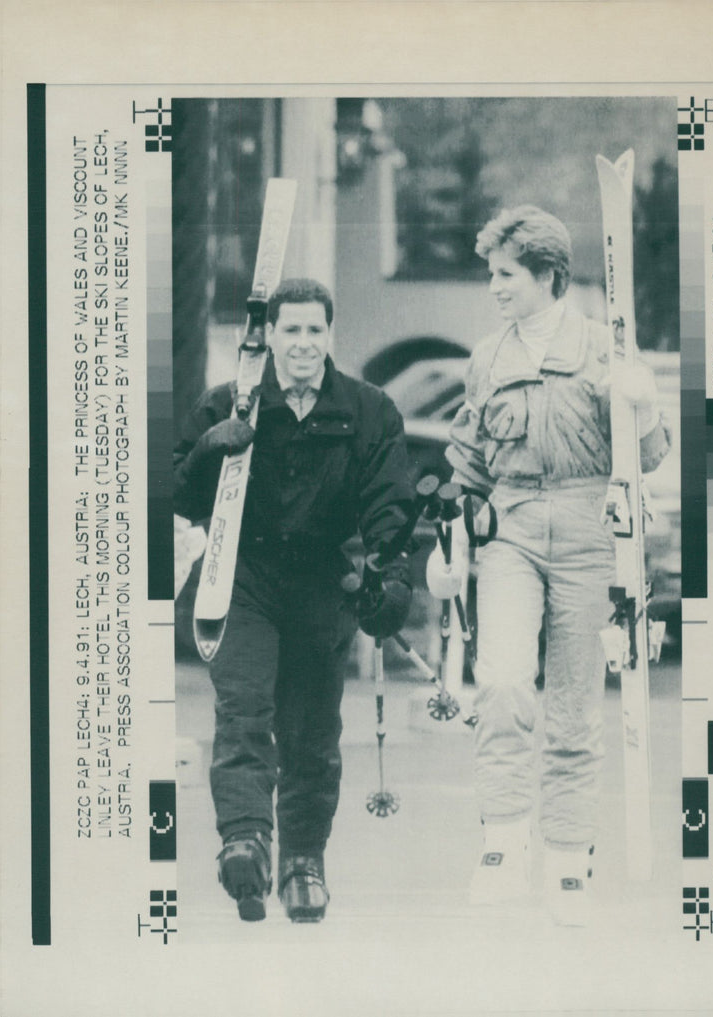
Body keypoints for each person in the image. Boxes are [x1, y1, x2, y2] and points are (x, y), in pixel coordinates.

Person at [425, 205, 671, 925]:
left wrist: (645, 405)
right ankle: (503, 842)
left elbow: (649, 459)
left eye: (505, 275)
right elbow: (466, 466)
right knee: (500, 680)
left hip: (592, 524)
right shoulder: (487, 357)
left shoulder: (605, 349)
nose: (494, 287)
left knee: (572, 704)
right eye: (491, 274)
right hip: (512, 525)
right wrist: (448, 545)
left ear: (546, 275)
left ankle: (568, 857)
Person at [174, 278, 415, 923]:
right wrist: (207, 452)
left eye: (315, 330)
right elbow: (178, 493)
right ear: (269, 336)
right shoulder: (231, 403)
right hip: (242, 575)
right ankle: (244, 840)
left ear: (330, 335)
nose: (303, 343)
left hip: (320, 582)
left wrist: (391, 575)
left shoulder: (367, 410)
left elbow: (389, 499)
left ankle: (304, 859)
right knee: (245, 709)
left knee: (311, 731)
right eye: (291, 330)